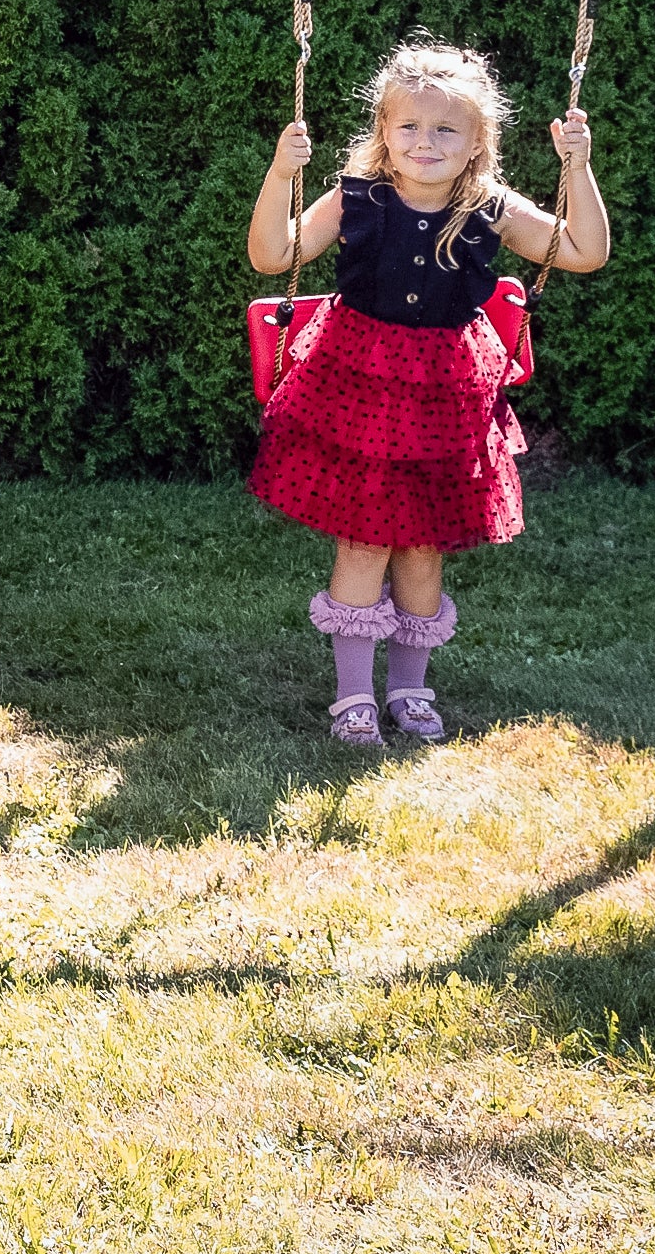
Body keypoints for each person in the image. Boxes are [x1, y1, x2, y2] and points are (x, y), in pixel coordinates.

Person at [241, 36, 609, 746]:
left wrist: (579, 168)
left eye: (446, 129)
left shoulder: (489, 206)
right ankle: (353, 699)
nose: (425, 141)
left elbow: (584, 251)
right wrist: (279, 172)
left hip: (447, 391)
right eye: (408, 126)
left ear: (478, 140)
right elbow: (271, 255)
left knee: (422, 545)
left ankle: (409, 689)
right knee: (363, 539)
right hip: (359, 385)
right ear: (384, 131)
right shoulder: (356, 201)